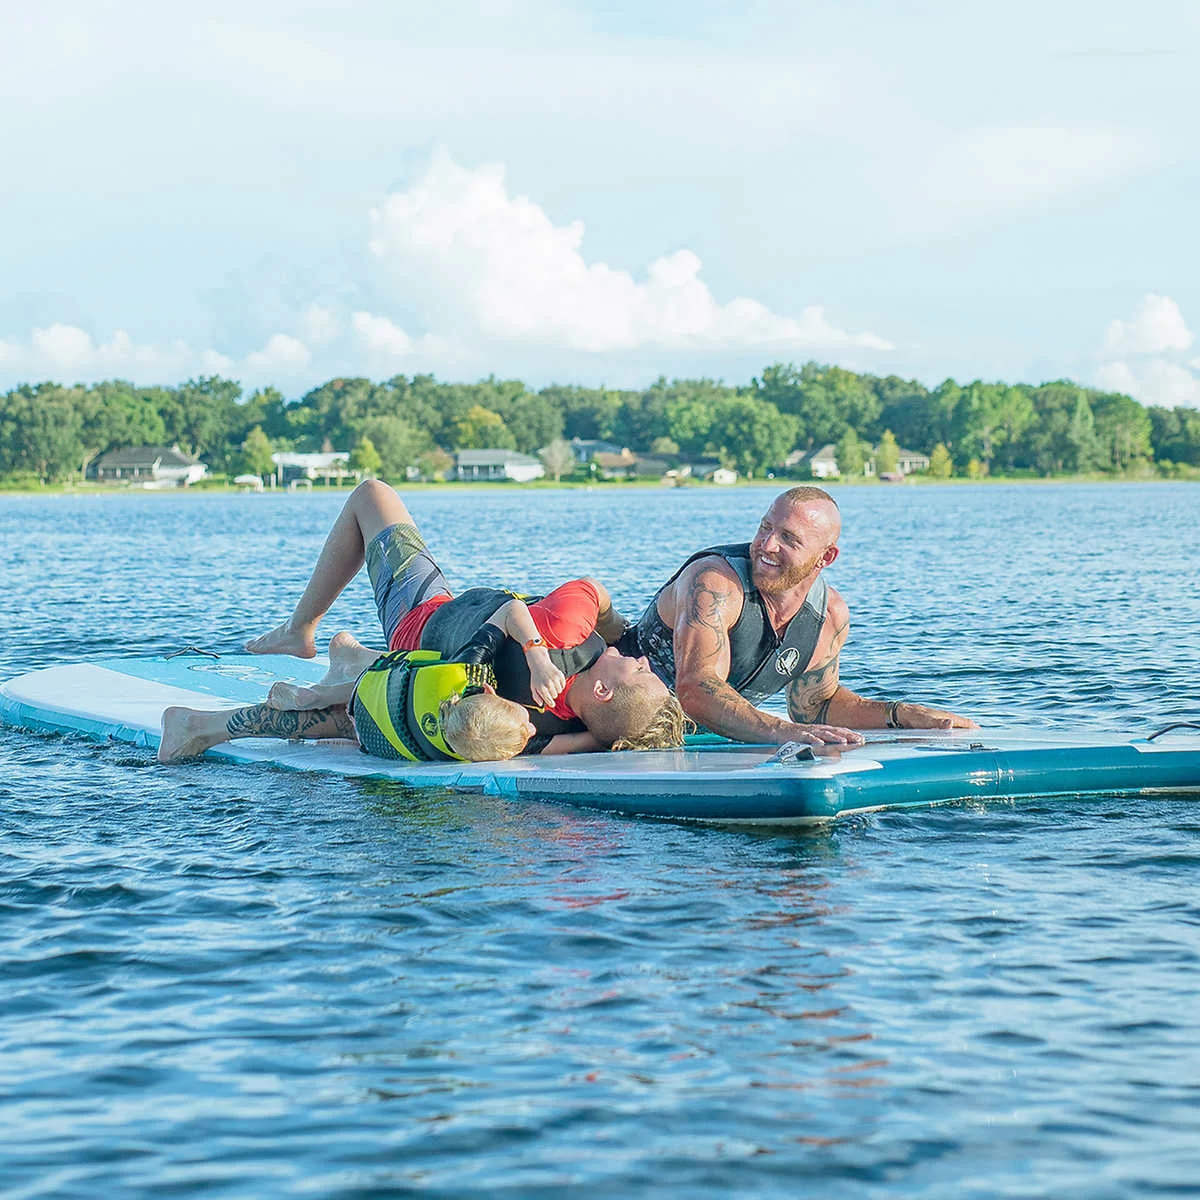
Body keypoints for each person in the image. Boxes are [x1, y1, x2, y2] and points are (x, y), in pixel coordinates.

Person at [202, 480, 685, 756]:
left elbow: (590, 593)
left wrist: (611, 629)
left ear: (603, 690)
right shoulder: (547, 727)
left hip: (422, 624)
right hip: (424, 673)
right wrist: (606, 738)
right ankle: (349, 660)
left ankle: (299, 630)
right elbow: (578, 742)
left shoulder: (567, 625)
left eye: (640, 670)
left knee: (371, 496)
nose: (639, 658)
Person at [616, 486, 978, 746]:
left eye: (788, 539)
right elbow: (696, 688)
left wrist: (903, 716)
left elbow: (815, 707)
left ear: (826, 558)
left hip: (700, 742)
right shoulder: (715, 583)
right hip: (608, 719)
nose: (766, 545)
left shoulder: (829, 617)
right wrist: (782, 732)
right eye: (764, 528)